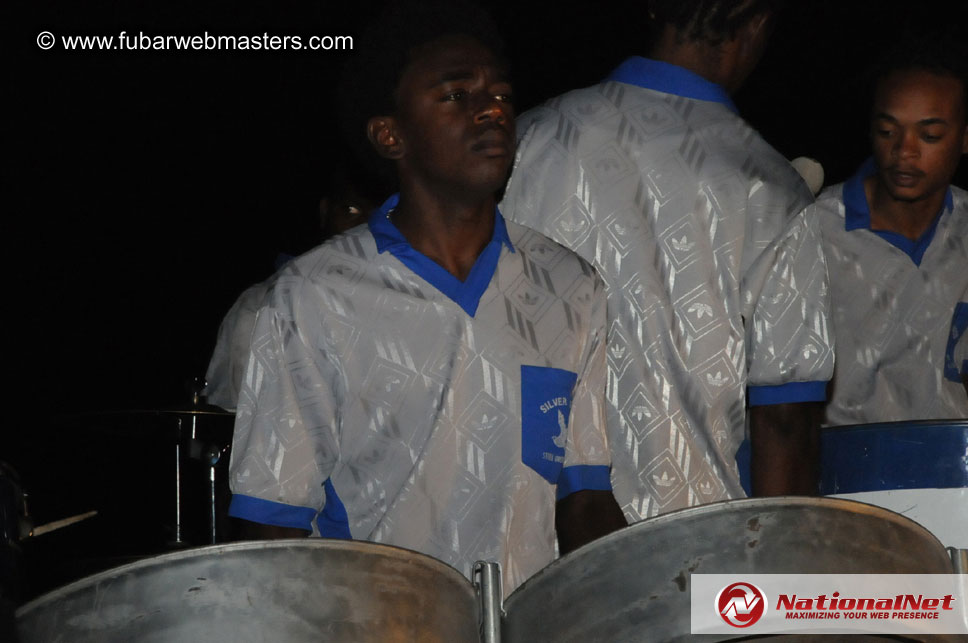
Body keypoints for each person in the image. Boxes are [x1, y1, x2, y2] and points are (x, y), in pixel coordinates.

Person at [226, 2, 625, 594]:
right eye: (457, 95)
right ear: (391, 135)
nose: (492, 109)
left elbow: (585, 494)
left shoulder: (569, 286)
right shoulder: (312, 298)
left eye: (501, 95)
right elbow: (269, 528)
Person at [501, 0, 835, 521]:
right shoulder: (770, 185)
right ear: (759, 24)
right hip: (694, 535)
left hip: (534, 536)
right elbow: (785, 417)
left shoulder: (527, 141)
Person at [815, 38, 968, 424]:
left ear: (965, 139)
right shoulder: (816, 230)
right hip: (838, 476)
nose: (904, 151)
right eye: (887, 131)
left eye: (929, 135)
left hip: (953, 471)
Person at [204, 163, 383, 412]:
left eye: (385, 216)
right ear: (325, 212)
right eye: (352, 211)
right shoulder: (265, 305)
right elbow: (231, 424)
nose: (366, 229)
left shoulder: (422, 307)